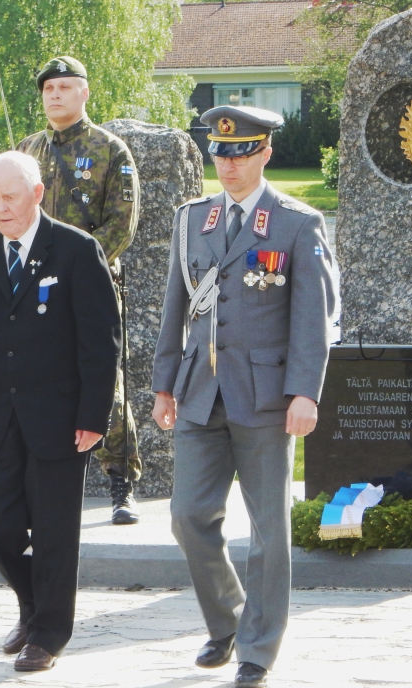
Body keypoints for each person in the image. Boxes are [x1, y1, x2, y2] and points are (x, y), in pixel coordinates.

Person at [151, 105, 336, 687]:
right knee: (187, 517)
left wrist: (304, 392)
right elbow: (174, 309)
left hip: (264, 398)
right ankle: (229, 619)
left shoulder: (296, 223)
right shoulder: (192, 220)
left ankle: (257, 649)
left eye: (240, 152)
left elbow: (315, 319)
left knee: (268, 531)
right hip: (200, 391)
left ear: (265, 153)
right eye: (219, 153)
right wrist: (162, 385)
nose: (227, 164)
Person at [0, 150, 121, 672]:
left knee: (53, 531)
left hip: (63, 420)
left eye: (9, 197)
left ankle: (48, 633)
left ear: (37, 194)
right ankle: (33, 602)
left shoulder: (75, 250)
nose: (0, 208)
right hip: (2, 416)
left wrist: (95, 415)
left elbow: (101, 342)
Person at [16, 55, 142, 525]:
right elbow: (10, 214)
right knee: (35, 381)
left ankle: (120, 483)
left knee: (105, 384)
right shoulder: (26, 151)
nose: (55, 95)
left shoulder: (111, 150)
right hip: (33, 287)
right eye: (48, 89)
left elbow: (121, 224)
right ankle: (38, 479)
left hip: (92, 286)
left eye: (65, 87)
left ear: (84, 92)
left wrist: (79, 270)